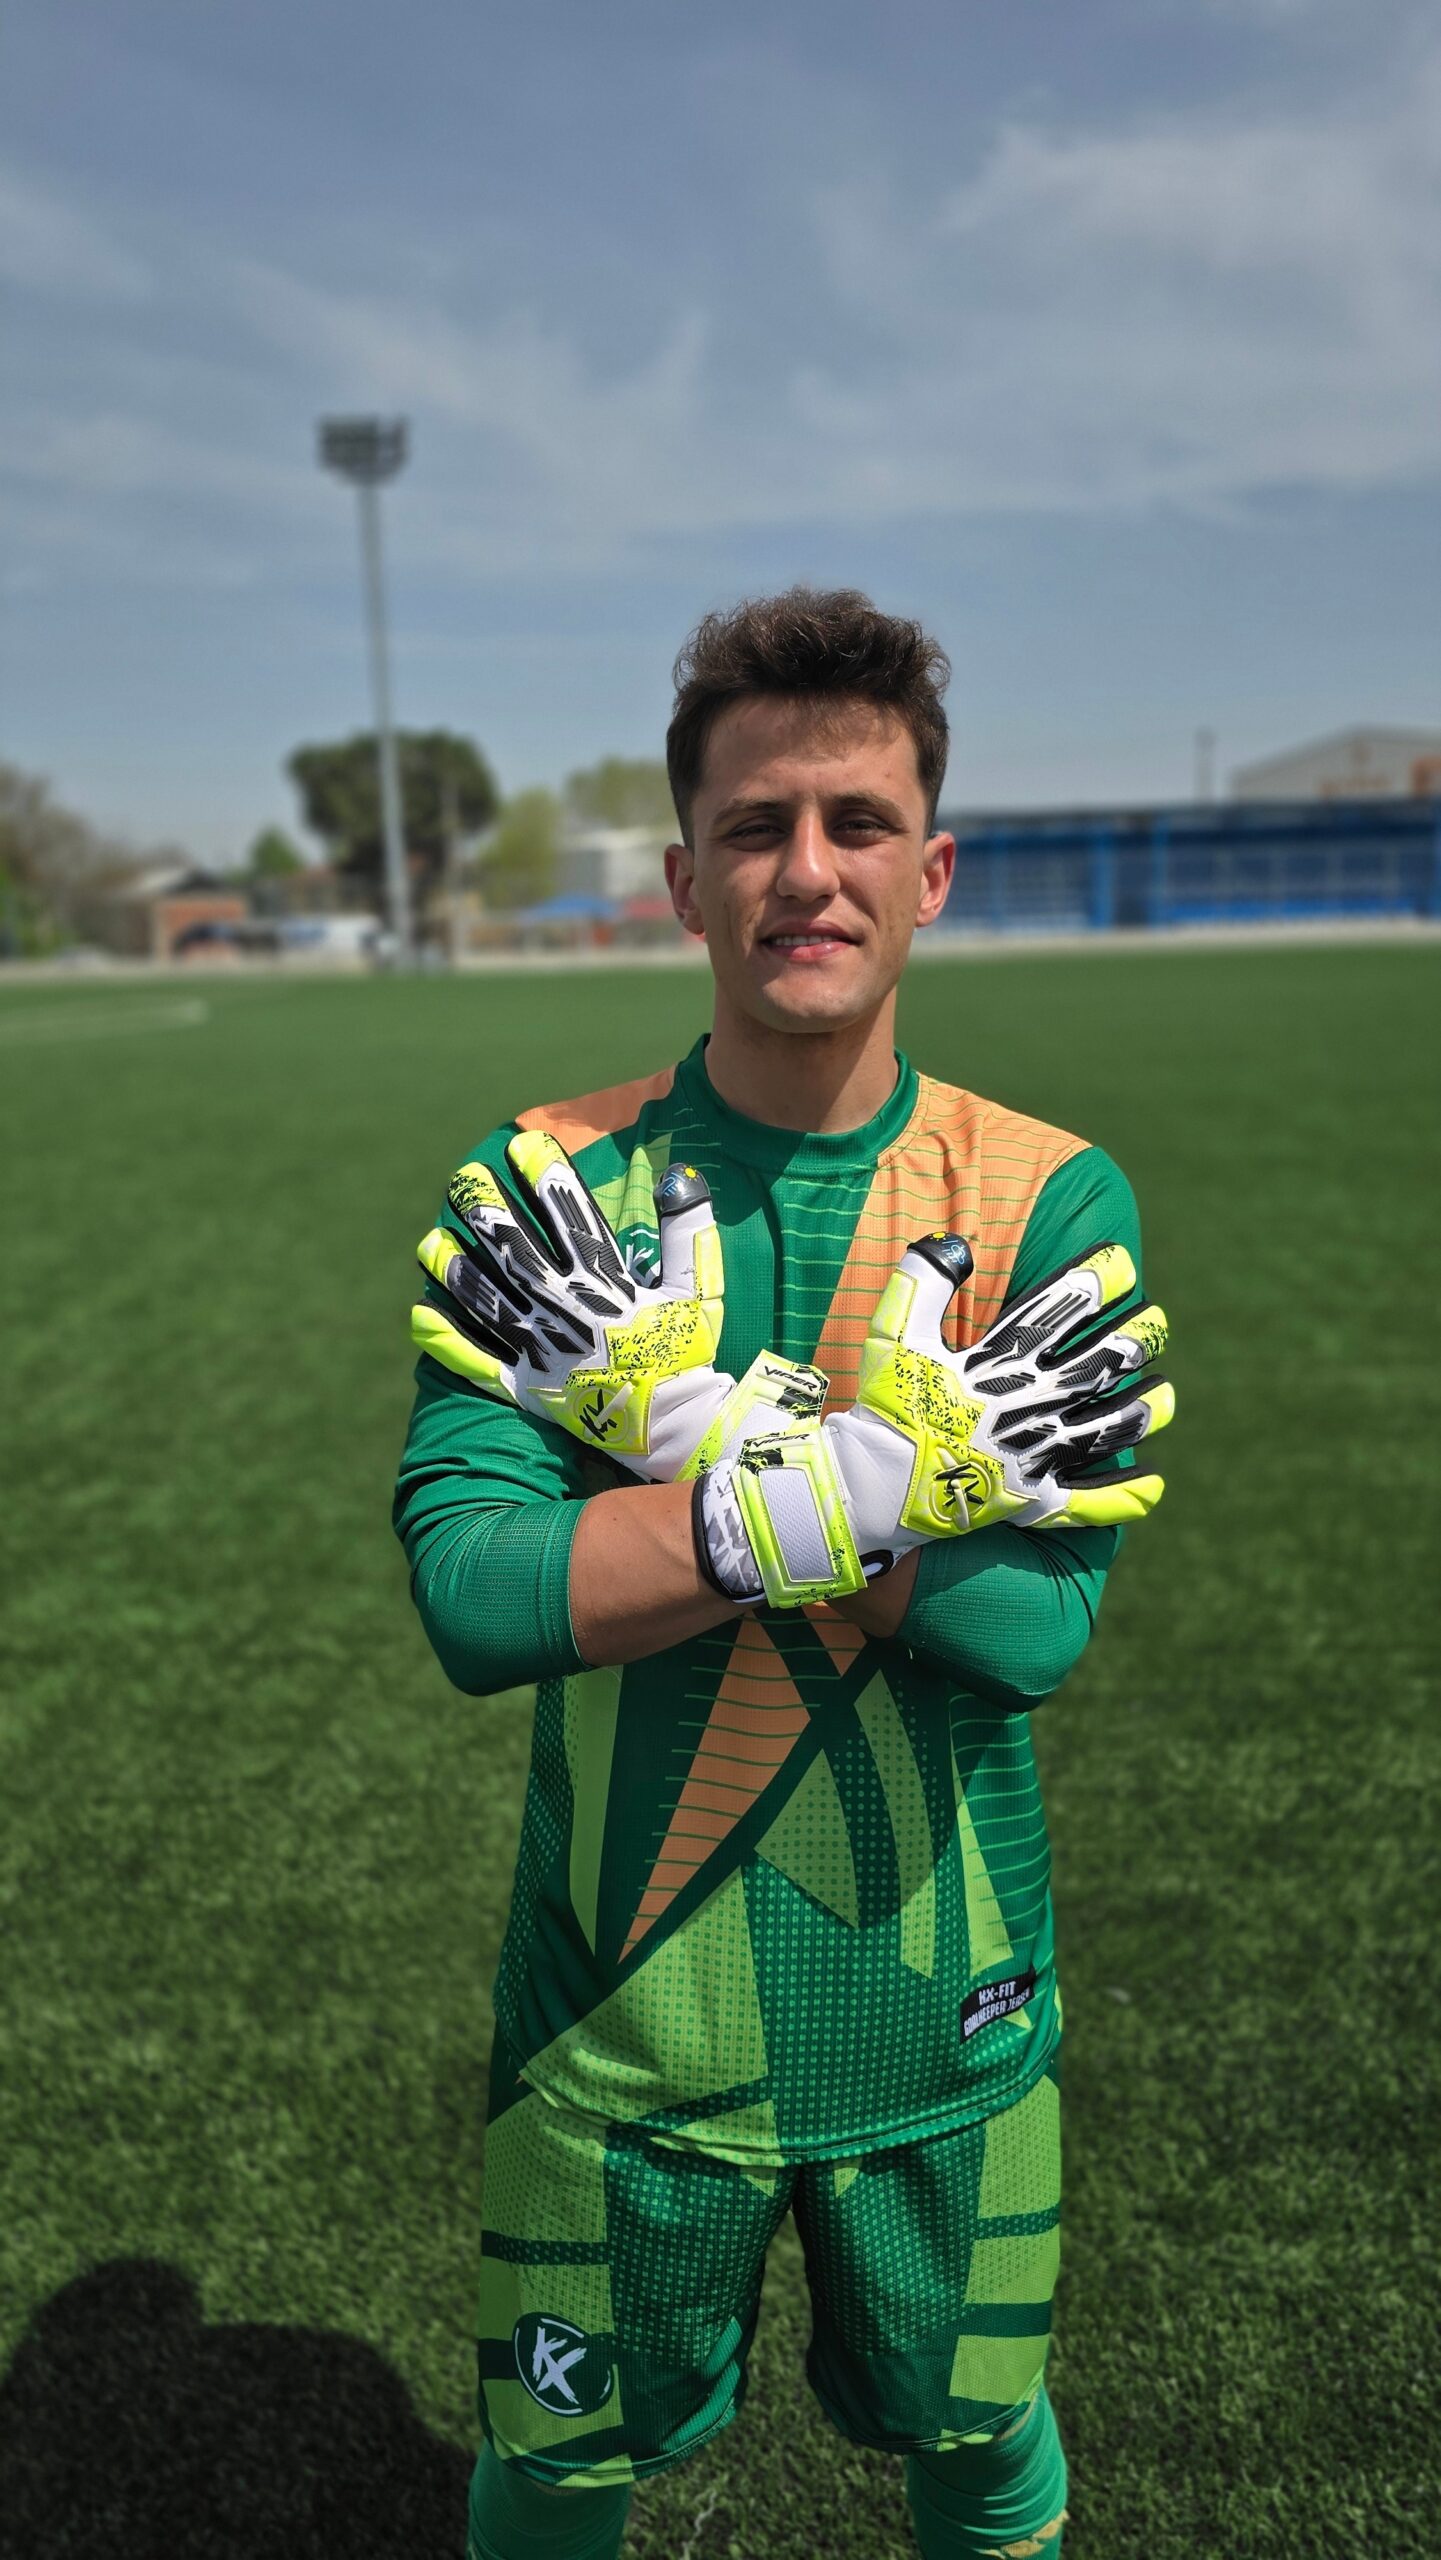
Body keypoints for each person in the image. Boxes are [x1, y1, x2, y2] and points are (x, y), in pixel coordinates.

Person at [393, 588, 1173, 2560]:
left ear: (930, 872)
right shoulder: (546, 1187)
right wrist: (854, 1496)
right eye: (753, 826)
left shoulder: (1043, 1194)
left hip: (945, 2019)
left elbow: (1033, 1629)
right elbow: (477, 1593)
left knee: (980, 2440)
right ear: (682, 879)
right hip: (614, 2028)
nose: (804, 870)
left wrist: (703, 1458)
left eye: (853, 822)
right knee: (554, 2465)